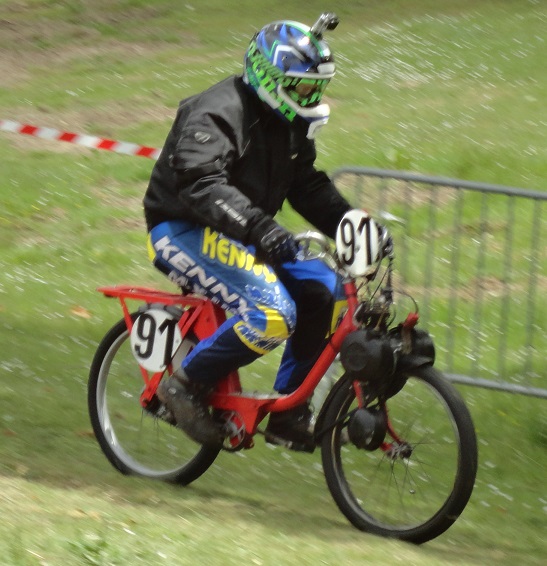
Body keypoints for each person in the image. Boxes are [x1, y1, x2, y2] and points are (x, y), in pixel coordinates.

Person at [143, 13, 352, 451]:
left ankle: (289, 413)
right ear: (269, 77)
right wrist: (260, 227)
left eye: (317, 87)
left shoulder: (289, 123)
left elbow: (306, 186)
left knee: (328, 290)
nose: (312, 97)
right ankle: (183, 384)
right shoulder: (216, 111)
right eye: (303, 87)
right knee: (273, 314)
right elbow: (201, 183)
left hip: (243, 232)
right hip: (181, 227)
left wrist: (352, 224)